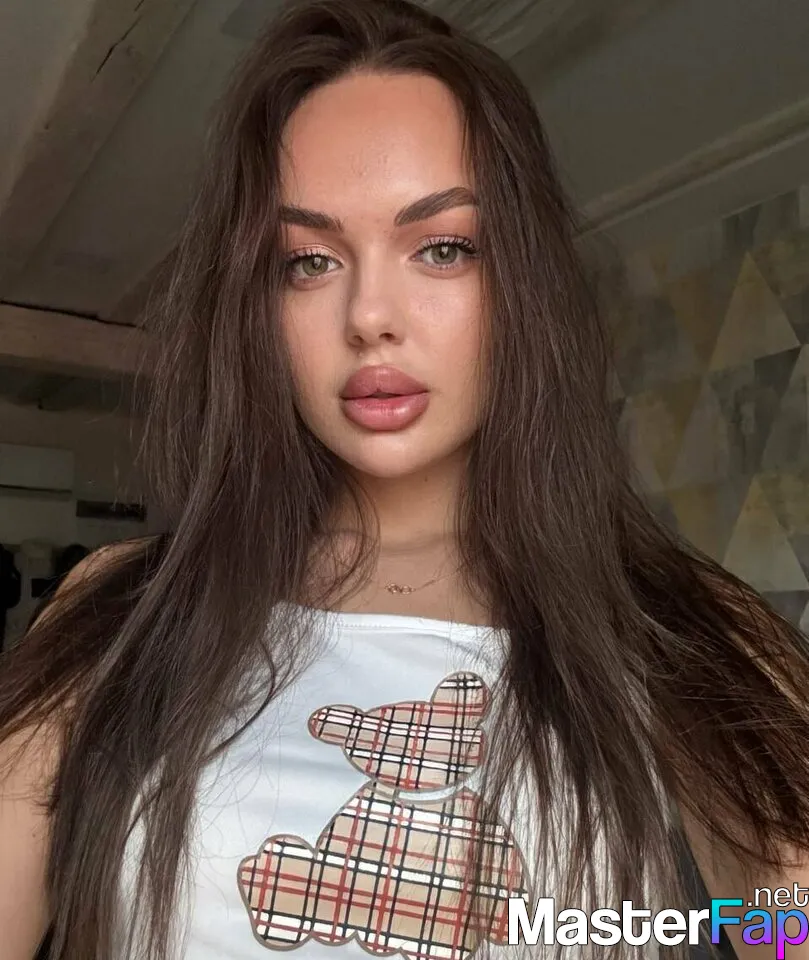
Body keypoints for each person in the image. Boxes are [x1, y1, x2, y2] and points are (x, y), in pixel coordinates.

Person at [1, 1, 808, 958]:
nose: (369, 315)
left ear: (523, 282)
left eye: (442, 247)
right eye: (307, 261)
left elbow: (785, 921)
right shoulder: (122, 610)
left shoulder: (692, 631)